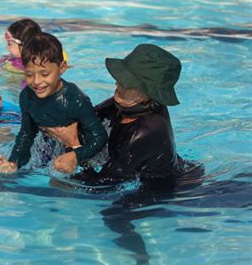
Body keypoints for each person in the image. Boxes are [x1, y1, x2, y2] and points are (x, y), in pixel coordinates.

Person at [47, 43, 185, 183]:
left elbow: (101, 185)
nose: (117, 84)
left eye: (127, 83)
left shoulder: (147, 132)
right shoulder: (127, 103)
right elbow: (85, 123)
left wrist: (73, 144)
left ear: (149, 94)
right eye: (120, 78)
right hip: (127, 169)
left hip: (159, 192)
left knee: (59, 185)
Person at [0, 32, 108, 174]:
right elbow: (27, 134)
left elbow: (100, 138)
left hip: (82, 155)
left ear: (62, 68)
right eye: (29, 74)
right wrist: (14, 162)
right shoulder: (27, 96)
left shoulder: (75, 100)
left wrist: (75, 156)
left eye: (45, 74)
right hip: (49, 149)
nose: (37, 82)